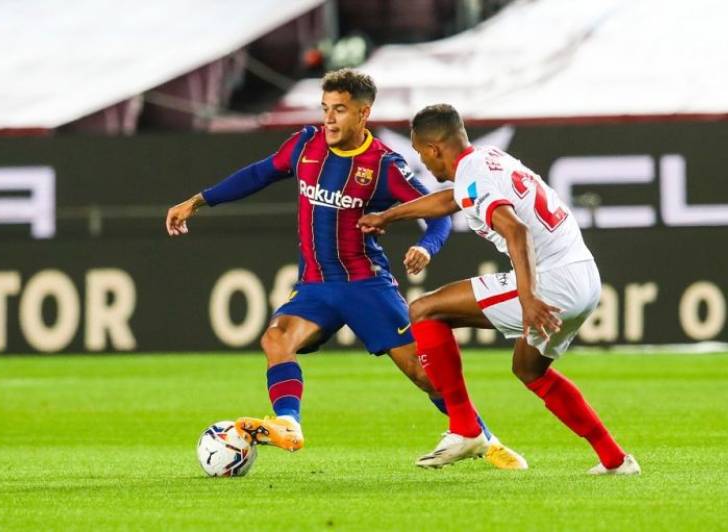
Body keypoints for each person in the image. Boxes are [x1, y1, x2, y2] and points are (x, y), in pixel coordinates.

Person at [165, 70, 526, 469]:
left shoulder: (383, 165)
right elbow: (258, 174)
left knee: (424, 375)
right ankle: (288, 424)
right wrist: (198, 201)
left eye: (339, 110)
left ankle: (486, 440)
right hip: (316, 286)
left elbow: (438, 214)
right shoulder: (305, 144)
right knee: (276, 339)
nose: (329, 119)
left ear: (363, 114)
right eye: (325, 109)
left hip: (366, 286)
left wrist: (426, 247)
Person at [357, 103, 640, 475]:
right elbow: (452, 198)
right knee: (529, 370)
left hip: (552, 282)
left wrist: (528, 297)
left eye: (420, 152)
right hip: (585, 276)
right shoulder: (488, 159)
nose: (422, 162)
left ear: (434, 148)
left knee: (424, 309)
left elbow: (516, 231)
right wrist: (389, 216)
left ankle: (465, 429)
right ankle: (615, 459)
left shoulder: (474, 176)